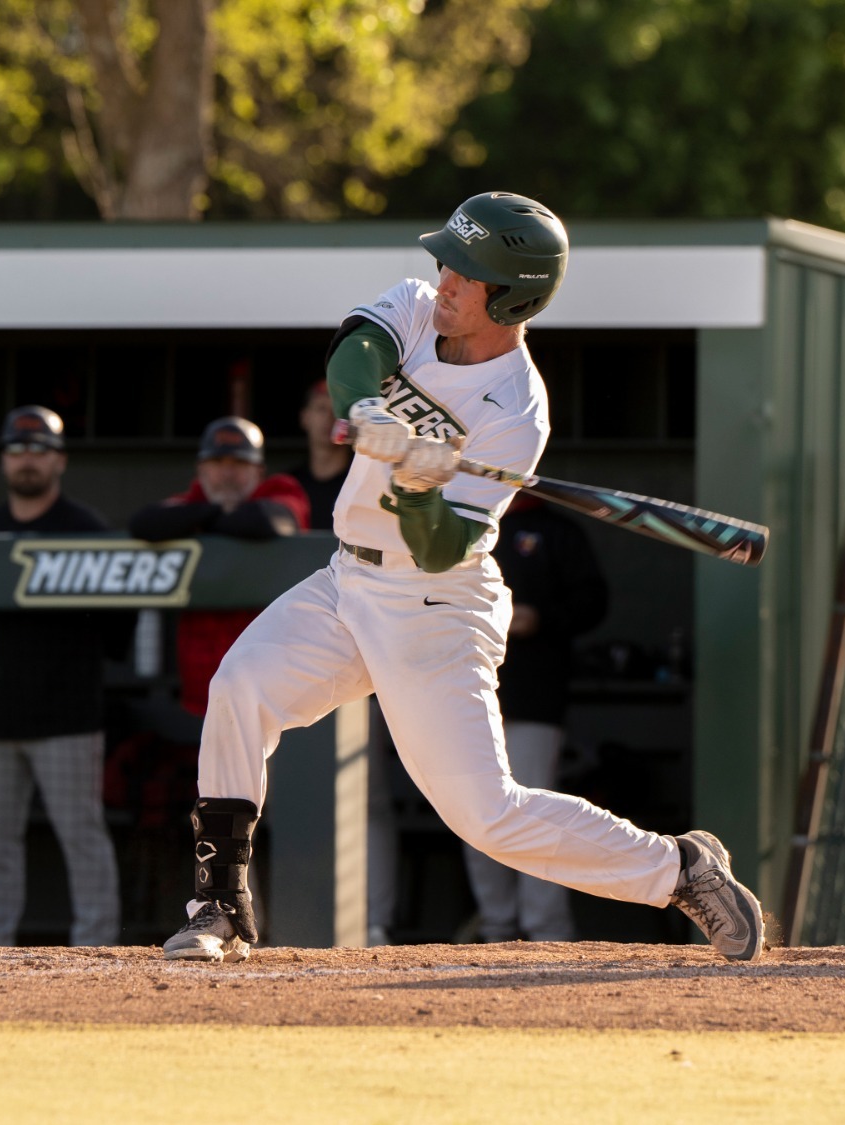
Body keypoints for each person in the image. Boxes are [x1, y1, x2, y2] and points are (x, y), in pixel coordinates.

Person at [161, 192, 763, 964]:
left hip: (436, 603)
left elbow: (444, 547)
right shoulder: (418, 307)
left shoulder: (517, 410)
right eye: (447, 261)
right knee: (240, 685)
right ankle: (220, 904)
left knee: (487, 814)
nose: (444, 277)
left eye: (467, 272)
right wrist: (372, 410)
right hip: (348, 580)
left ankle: (680, 868)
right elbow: (354, 350)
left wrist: (417, 486)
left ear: (511, 295)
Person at [0, 405, 124, 947]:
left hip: (67, 719)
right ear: (4, 460)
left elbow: (120, 632)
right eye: (17, 449)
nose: (27, 459)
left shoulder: (86, 530)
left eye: (38, 449)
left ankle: (96, 948)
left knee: (82, 838)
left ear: (59, 460)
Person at [463, 493, 610, 942]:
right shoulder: (457, 523)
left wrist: (540, 617)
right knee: (473, 814)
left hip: (532, 693)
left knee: (533, 811)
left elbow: (593, 601)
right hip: (464, 690)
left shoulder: (556, 530)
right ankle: (497, 928)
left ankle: (548, 932)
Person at [127, 416, 308, 716]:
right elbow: (145, 523)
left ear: (258, 470)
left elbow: (272, 519)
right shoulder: (193, 500)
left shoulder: (278, 489)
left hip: (271, 681)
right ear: (201, 470)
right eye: (217, 462)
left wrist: (201, 520)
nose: (227, 473)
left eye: (238, 463)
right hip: (204, 686)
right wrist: (217, 512)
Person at [288, 381, 352, 528]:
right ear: (305, 417)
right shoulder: (289, 485)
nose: (329, 418)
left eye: (337, 410)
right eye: (321, 409)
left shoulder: (361, 483)